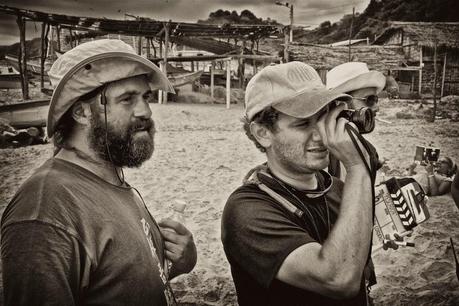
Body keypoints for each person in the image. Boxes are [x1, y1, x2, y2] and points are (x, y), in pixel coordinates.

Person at [1, 39, 197, 306]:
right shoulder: (46, 212)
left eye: (145, 97)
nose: (146, 111)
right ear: (81, 112)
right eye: (127, 99)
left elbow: (119, 285)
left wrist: (180, 263)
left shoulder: (110, 179)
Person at [221, 61, 378, 305]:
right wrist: (357, 168)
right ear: (263, 133)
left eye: (324, 119)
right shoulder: (246, 210)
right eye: (303, 124)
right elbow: (338, 279)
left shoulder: (337, 189)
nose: (320, 135)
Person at [326, 62, 386, 180]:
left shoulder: (368, 150)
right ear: (340, 104)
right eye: (370, 100)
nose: (376, 107)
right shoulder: (320, 154)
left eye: (376, 99)